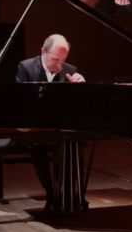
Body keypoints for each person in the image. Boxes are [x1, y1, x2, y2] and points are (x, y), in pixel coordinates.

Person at [16, 34, 85, 210]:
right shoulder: (27, 67)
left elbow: (76, 106)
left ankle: (73, 194)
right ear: (43, 52)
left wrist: (81, 87)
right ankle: (50, 193)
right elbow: (19, 101)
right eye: (55, 59)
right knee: (36, 144)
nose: (59, 64)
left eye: (63, 59)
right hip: (32, 128)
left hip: (58, 128)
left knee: (73, 143)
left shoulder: (70, 69)